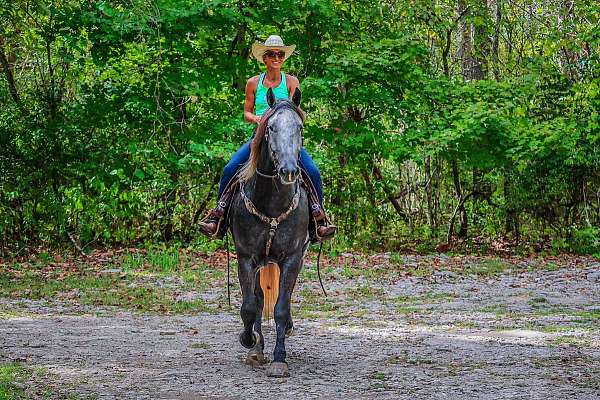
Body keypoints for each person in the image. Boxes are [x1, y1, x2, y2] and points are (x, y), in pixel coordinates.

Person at [198, 35, 336, 242]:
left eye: (280, 54)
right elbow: (246, 112)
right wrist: (258, 118)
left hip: (286, 137)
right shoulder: (254, 83)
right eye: (272, 54)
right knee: (230, 168)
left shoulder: (291, 82)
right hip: (261, 136)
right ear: (264, 57)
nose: (276, 57)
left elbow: (294, 111)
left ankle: (318, 219)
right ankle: (218, 216)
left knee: (313, 171)